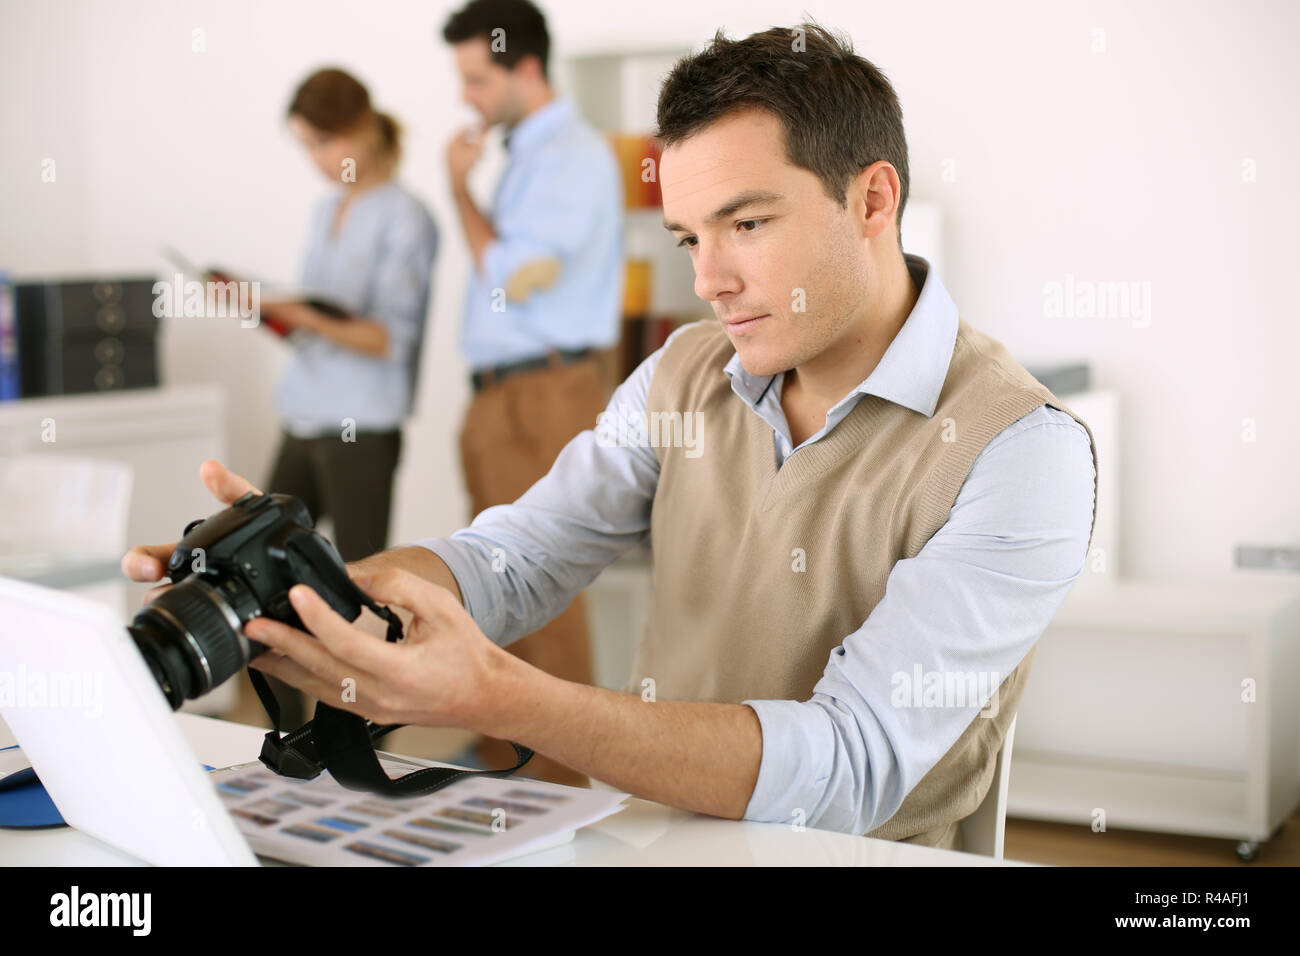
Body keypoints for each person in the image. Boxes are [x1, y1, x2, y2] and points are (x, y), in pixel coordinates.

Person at [124, 23, 1097, 849]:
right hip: (653, 842)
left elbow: (847, 764)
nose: (706, 278)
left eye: (745, 223)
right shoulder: (686, 370)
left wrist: (502, 696)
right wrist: (306, 597)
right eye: (686, 238)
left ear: (873, 200)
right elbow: (513, 558)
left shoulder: (1021, 451)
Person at [439, 0, 622, 786]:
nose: (467, 97)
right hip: (504, 396)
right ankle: (506, 764)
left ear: (525, 68)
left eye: (478, 79)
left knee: (537, 587)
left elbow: (515, 274)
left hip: (539, 394)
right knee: (494, 584)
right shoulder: (528, 156)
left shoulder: (570, 156)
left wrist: (457, 190)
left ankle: (558, 783)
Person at [258, 67, 438, 726]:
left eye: (322, 143)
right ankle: (289, 730)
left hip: (363, 422)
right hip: (304, 411)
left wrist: (303, 316)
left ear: (360, 130)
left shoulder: (407, 217)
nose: (316, 161)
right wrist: (272, 312)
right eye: (305, 146)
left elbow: (384, 337)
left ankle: (360, 733)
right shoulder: (324, 209)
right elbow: (319, 319)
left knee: (358, 589)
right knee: (267, 565)